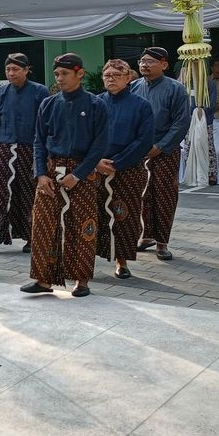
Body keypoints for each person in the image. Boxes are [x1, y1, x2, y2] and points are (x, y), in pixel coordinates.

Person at [22, 53, 108, 298]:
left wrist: (78, 175)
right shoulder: (48, 104)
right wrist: (40, 174)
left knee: (82, 225)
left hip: (83, 173)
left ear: (79, 73)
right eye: (57, 74)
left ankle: (81, 280)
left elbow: (99, 146)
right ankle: (43, 279)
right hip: (51, 171)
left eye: (65, 74)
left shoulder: (95, 105)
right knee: (43, 225)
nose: (59, 79)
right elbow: (39, 142)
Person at [129, 47, 190, 261]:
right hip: (138, 152)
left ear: (164, 64)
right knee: (141, 195)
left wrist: (161, 146)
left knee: (163, 196)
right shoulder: (133, 87)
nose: (144, 64)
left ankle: (162, 242)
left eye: (150, 61)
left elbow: (181, 123)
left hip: (166, 151)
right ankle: (146, 236)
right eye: (142, 60)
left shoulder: (176, 89)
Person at [95, 60, 154, 280]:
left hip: (128, 169)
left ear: (128, 77)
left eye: (116, 75)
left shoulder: (141, 105)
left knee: (124, 215)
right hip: (96, 167)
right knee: (93, 214)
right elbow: (85, 135)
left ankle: (122, 261)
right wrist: (95, 161)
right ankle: (87, 259)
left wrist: (118, 163)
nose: (111, 79)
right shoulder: (96, 103)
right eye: (107, 75)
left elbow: (144, 140)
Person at [0, 53, 49, 255]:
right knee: (0, 194)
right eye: (8, 69)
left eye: (16, 69)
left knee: (29, 194)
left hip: (31, 149)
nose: (11, 73)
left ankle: (31, 237)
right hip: (4, 151)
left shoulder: (40, 92)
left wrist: (44, 154)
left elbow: (45, 126)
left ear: (26, 70)